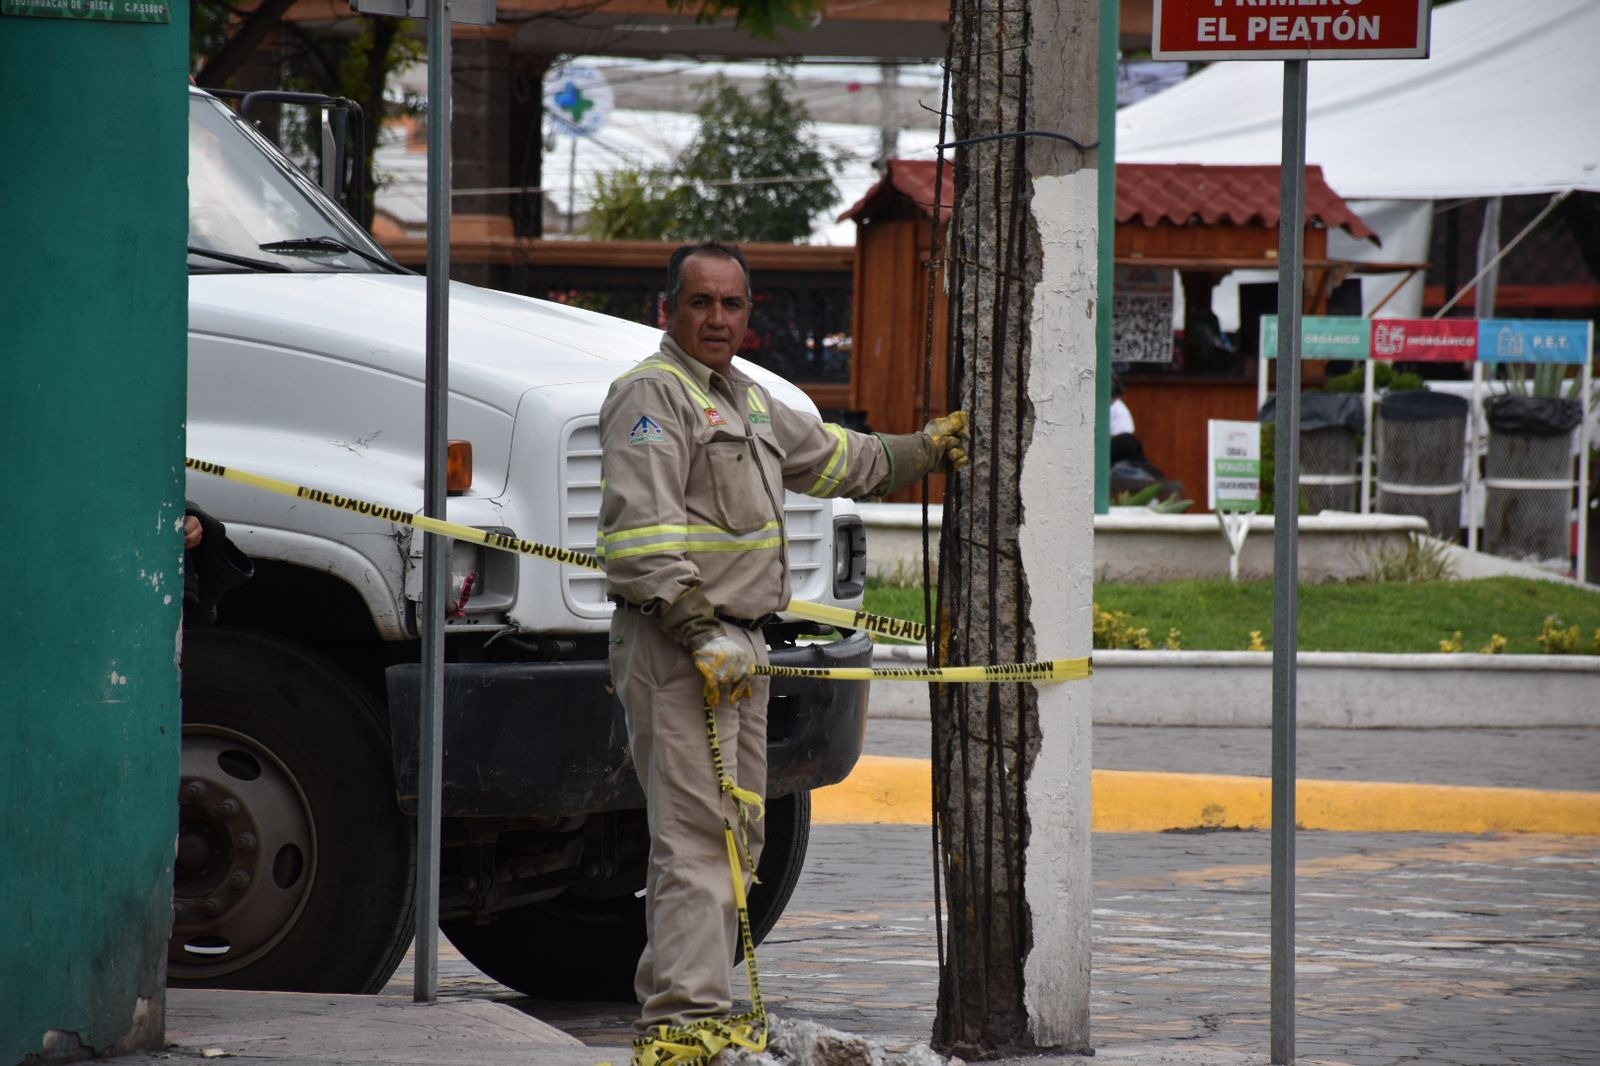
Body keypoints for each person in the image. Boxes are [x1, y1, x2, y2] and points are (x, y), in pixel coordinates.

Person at [597, 241, 968, 1046]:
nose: (718, 318)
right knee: (697, 837)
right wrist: (700, 632)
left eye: (732, 305)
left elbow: (839, 459)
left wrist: (928, 450)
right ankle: (685, 1023)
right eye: (701, 302)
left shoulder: (751, 402)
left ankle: (695, 1002)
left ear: (749, 316)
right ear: (670, 310)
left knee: (737, 833)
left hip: (741, 651)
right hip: (681, 650)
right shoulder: (651, 397)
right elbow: (639, 542)